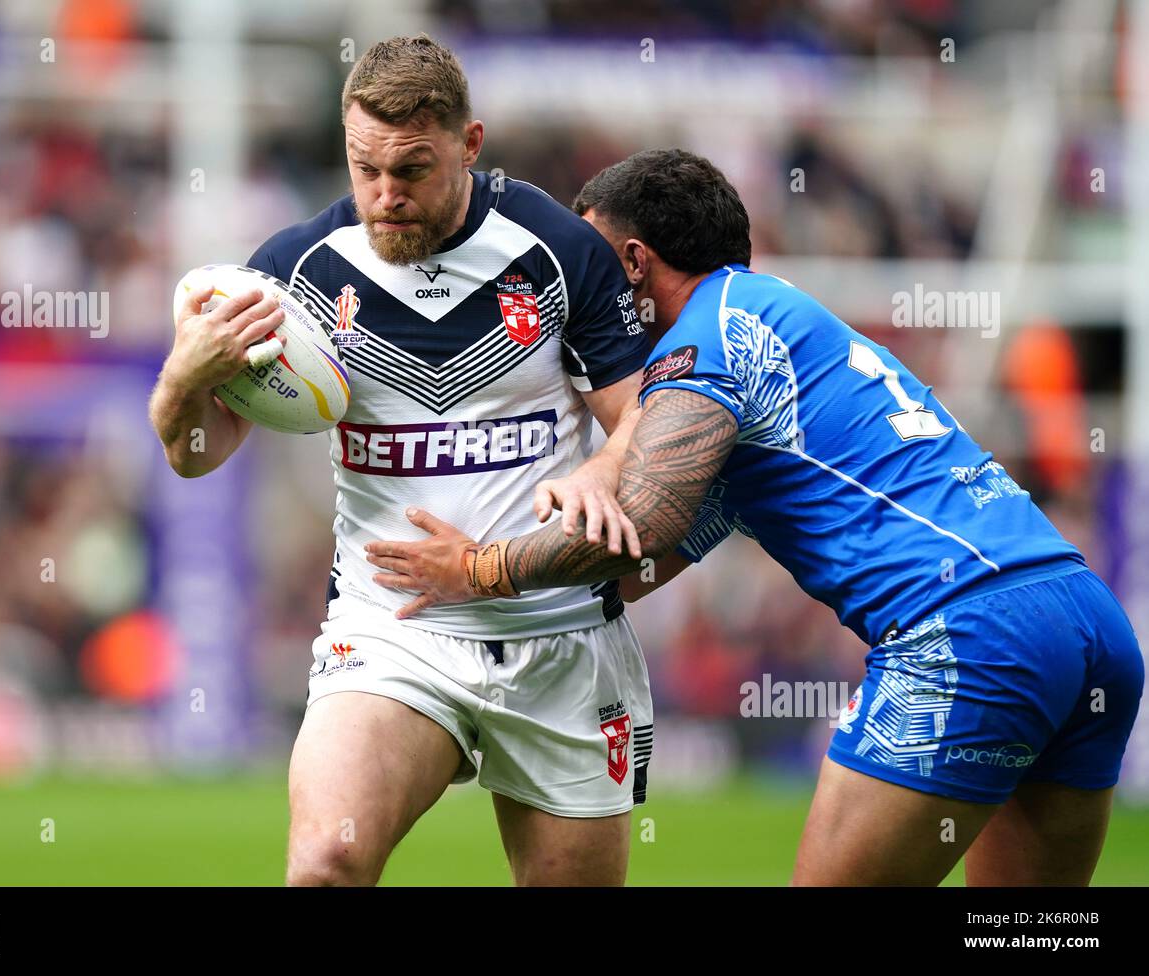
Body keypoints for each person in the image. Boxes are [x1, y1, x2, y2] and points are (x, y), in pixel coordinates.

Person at [363, 148, 1146, 886]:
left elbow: (644, 516)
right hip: (1084, 621)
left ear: (634, 262)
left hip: (968, 636)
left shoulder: (707, 340)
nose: (584, 289)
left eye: (595, 262)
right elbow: (639, 564)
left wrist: (477, 570)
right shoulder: (785, 322)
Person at [148, 35, 654, 886]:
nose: (385, 197)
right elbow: (195, 456)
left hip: (558, 632)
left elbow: (644, 417)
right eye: (364, 168)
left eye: (412, 170)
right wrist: (182, 378)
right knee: (327, 862)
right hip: (392, 634)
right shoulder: (295, 274)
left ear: (470, 144)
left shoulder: (557, 249)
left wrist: (604, 470)